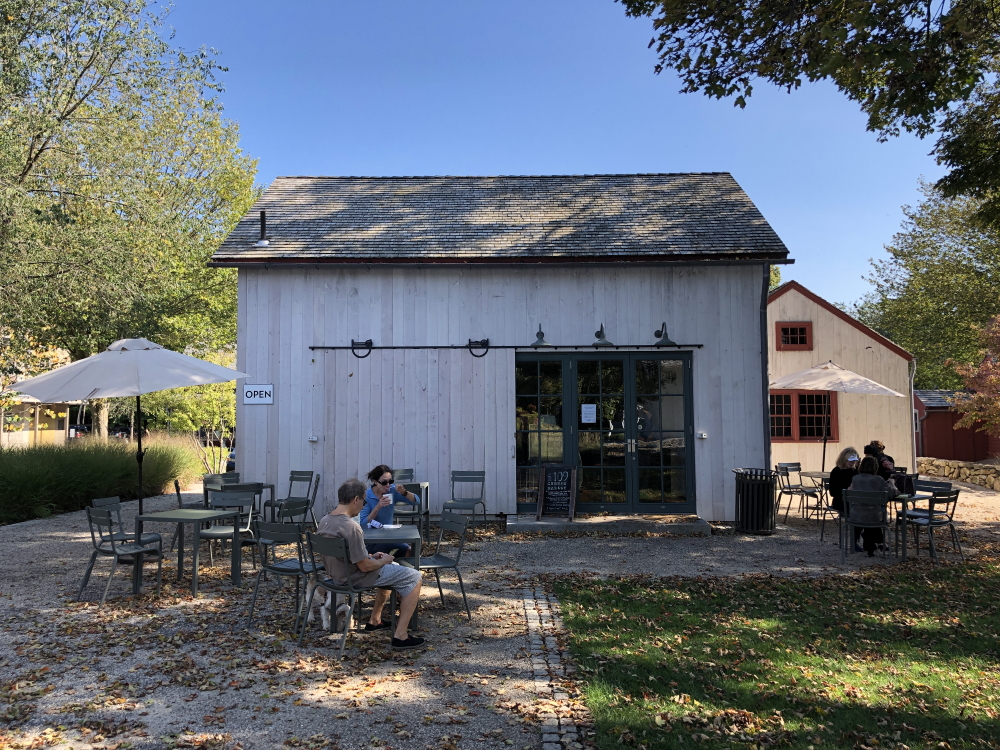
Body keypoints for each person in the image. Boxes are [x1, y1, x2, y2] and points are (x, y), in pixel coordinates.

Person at [316, 478, 425, 649]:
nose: (362, 506)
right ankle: (401, 635)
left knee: (391, 569)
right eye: (363, 501)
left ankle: (375, 619)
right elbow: (365, 567)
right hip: (356, 578)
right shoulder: (352, 527)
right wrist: (384, 560)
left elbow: (349, 555)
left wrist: (372, 555)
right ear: (356, 500)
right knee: (415, 576)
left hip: (335, 577)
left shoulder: (324, 521)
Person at [359, 465, 420, 558]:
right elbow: (363, 524)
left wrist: (405, 492)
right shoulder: (367, 495)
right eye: (384, 482)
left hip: (390, 536)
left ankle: (407, 571)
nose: (388, 485)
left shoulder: (392, 490)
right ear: (375, 481)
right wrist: (377, 507)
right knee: (379, 555)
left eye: (390, 481)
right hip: (372, 540)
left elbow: (416, 502)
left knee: (411, 551)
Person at [847, 455, 899, 556]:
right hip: (874, 515)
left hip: (856, 514)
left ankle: (868, 545)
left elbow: (849, 491)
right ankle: (871, 546)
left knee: (865, 514)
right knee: (874, 514)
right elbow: (892, 493)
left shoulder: (855, 479)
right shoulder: (878, 479)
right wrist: (892, 483)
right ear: (876, 467)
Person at [828, 447, 860, 516]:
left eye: (854, 460)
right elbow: (833, 492)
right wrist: (846, 490)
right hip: (841, 500)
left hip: (855, 500)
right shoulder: (836, 471)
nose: (852, 463)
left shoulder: (855, 471)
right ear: (844, 459)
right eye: (850, 460)